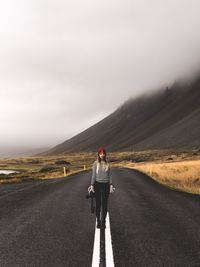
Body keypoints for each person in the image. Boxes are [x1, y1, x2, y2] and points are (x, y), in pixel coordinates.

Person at [88, 147, 115, 229]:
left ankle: (103, 222)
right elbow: (93, 175)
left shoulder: (108, 163)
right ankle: (98, 222)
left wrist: (111, 185)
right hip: (97, 185)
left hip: (105, 186)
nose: (102, 155)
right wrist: (92, 185)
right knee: (98, 204)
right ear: (98, 154)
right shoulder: (95, 163)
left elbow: (110, 175)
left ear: (105, 154)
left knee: (104, 205)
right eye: (100, 153)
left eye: (103, 153)